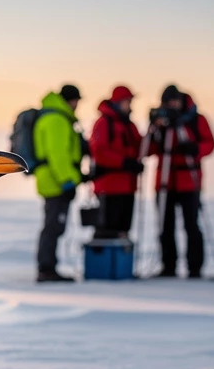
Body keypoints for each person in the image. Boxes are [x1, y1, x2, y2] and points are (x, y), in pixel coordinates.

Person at [148, 85, 214, 278]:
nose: (171, 106)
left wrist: (195, 149)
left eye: (173, 102)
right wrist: (155, 129)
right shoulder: (161, 122)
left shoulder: (196, 119)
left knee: (191, 225)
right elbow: (148, 149)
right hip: (165, 182)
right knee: (165, 226)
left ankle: (195, 267)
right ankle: (168, 266)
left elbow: (210, 143)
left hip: (189, 182)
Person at [34, 84, 84, 282]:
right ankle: (47, 269)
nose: (77, 105)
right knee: (53, 226)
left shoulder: (54, 117)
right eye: (76, 100)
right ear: (70, 100)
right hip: (55, 182)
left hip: (50, 180)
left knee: (53, 225)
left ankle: (47, 267)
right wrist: (67, 182)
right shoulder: (56, 120)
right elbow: (58, 155)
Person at [89, 85, 143, 238]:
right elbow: (99, 151)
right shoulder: (103, 123)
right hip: (109, 187)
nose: (130, 105)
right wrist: (124, 163)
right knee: (107, 231)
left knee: (123, 231)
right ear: (119, 102)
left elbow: (140, 147)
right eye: (127, 101)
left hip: (128, 187)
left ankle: (120, 261)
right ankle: (105, 261)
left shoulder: (129, 126)